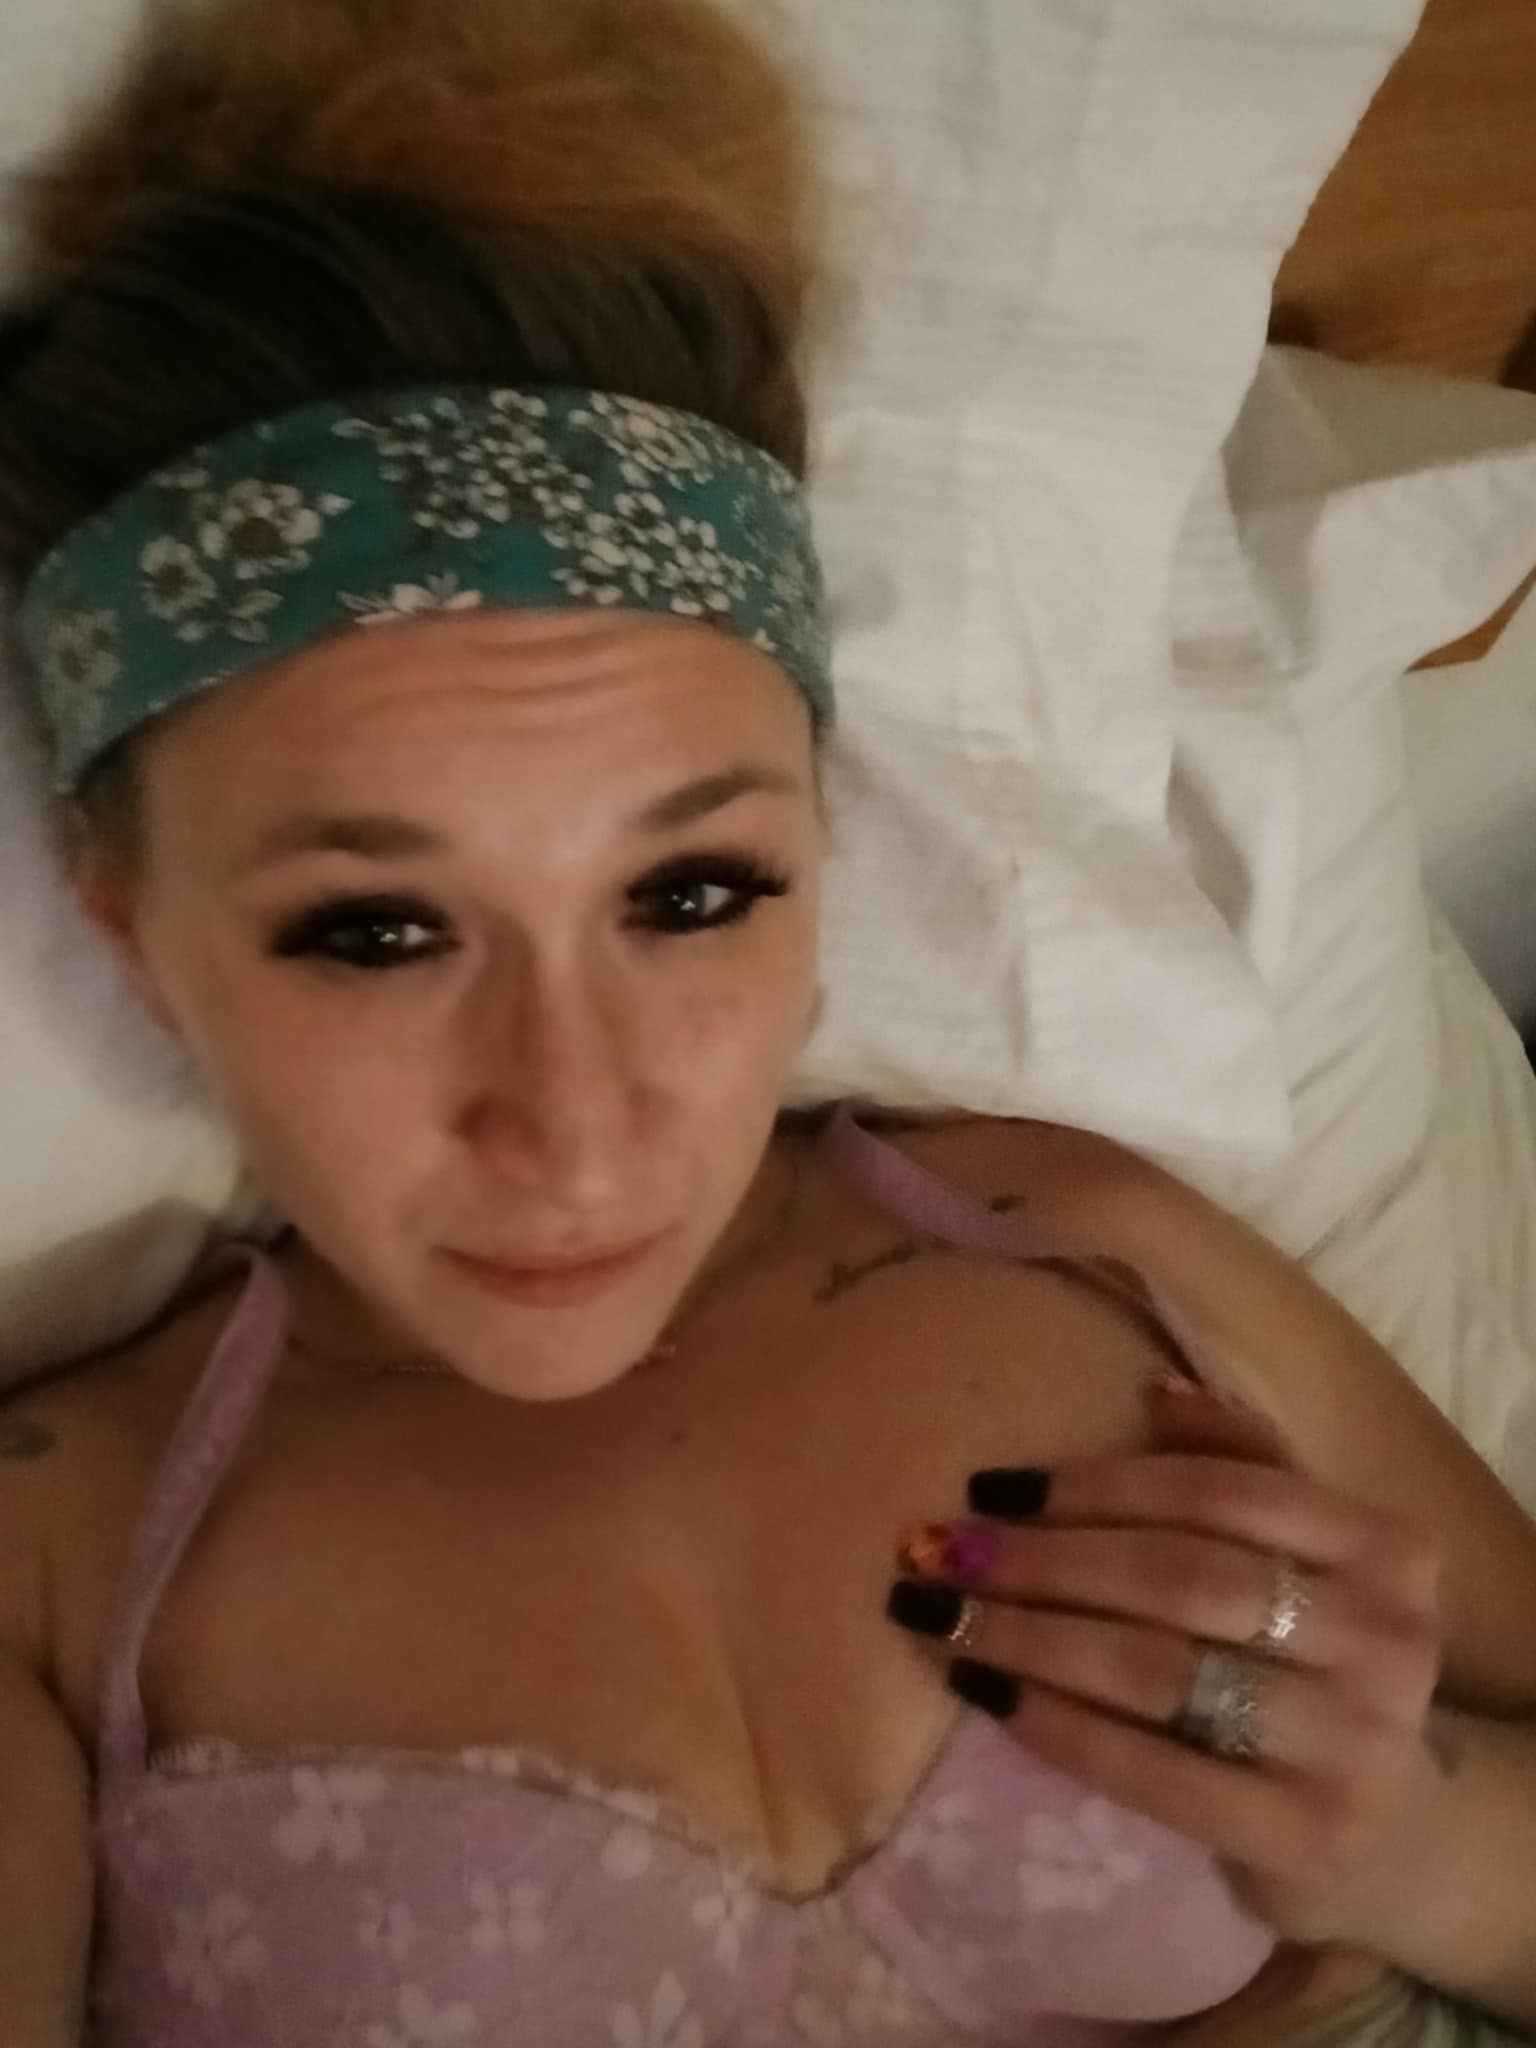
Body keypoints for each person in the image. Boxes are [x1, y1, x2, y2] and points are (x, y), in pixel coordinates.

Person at [0, 2, 1534, 2043]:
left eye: (694, 893)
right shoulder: (54, 1569)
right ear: (126, 930)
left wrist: (1423, 1841)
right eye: (373, 930)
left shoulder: (1078, 1242)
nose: (579, 1122)